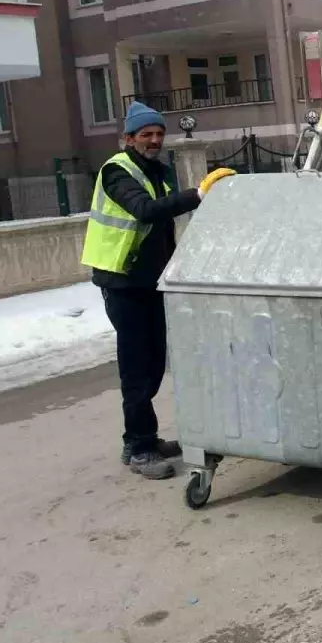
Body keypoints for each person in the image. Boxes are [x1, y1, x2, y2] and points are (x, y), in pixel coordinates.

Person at [81, 102, 236, 479]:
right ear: (128, 139)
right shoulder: (117, 172)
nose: (153, 140)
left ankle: (143, 437)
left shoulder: (159, 170)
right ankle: (138, 446)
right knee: (137, 367)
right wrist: (198, 194)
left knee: (153, 364)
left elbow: (165, 224)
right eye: (145, 135)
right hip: (122, 282)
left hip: (152, 281)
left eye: (158, 134)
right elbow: (146, 211)